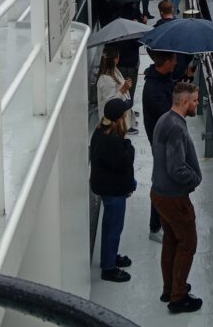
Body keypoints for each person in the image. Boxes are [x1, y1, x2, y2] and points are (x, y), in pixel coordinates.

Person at [151, 81, 203, 313]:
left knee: (171, 240)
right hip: (174, 198)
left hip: (160, 194)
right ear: (184, 103)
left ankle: (169, 288)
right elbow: (176, 168)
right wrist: (195, 178)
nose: (197, 104)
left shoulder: (164, 120)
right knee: (188, 243)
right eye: (194, 101)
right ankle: (178, 297)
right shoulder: (176, 128)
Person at [89, 98, 136, 284]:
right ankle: (108, 268)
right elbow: (125, 162)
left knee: (110, 225)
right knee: (113, 227)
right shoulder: (112, 139)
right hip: (113, 190)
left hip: (108, 187)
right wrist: (128, 144)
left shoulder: (101, 132)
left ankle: (110, 256)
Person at [141, 50, 177, 244]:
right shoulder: (153, 89)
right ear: (167, 62)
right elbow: (169, 114)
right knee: (161, 182)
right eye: (174, 60)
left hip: (165, 139)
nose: (176, 63)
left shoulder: (163, 79)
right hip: (160, 142)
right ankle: (155, 227)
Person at [152, 0, 195, 82]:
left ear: (161, 12)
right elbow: (190, 51)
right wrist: (184, 64)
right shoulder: (183, 28)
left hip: (163, 68)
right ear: (172, 10)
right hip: (180, 69)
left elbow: (150, 48)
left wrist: (158, 61)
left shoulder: (156, 29)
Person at [96, 50, 135, 132]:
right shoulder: (105, 79)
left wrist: (126, 87)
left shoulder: (115, 71)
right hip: (112, 124)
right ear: (115, 59)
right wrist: (123, 89)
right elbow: (110, 103)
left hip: (119, 120)